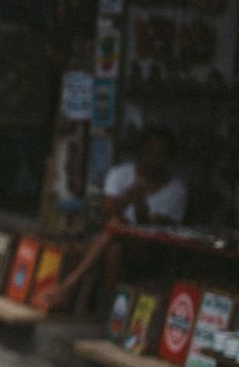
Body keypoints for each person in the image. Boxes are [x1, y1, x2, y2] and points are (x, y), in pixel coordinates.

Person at [37, 127, 187, 310]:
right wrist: (127, 198)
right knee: (114, 246)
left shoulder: (176, 189)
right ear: (140, 152)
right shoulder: (120, 174)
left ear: (168, 158)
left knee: (115, 228)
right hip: (114, 242)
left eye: (160, 155)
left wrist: (140, 209)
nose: (153, 160)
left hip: (148, 251)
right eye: (149, 153)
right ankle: (110, 310)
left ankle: (68, 285)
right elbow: (105, 215)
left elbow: (154, 233)